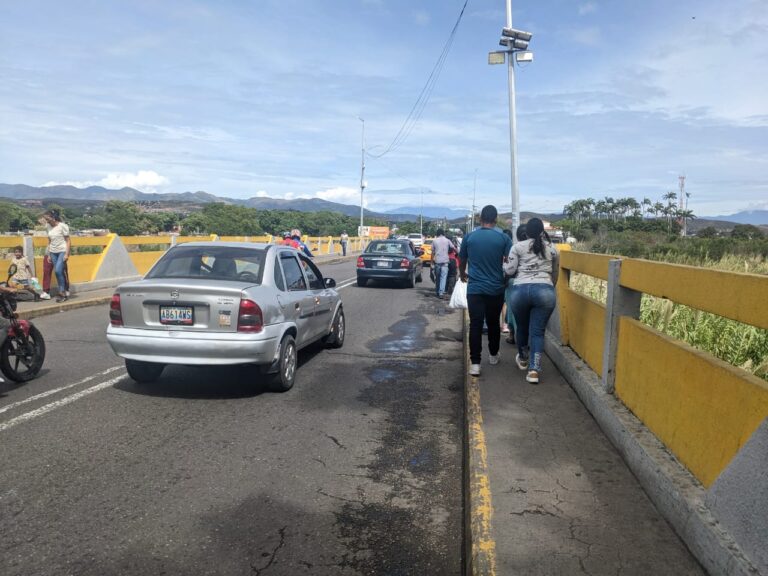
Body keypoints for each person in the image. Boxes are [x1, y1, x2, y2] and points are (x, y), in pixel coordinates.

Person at [504, 217, 560, 385]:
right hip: (545, 291)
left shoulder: (517, 247)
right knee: (537, 332)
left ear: (526, 232)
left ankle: (522, 359)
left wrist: (505, 268)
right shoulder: (552, 249)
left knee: (522, 327)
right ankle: (534, 370)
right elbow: (555, 272)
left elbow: (510, 270)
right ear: (542, 232)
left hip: (520, 291)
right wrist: (550, 287)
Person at [458, 205, 513, 377]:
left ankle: (475, 364)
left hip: (474, 288)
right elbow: (510, 263)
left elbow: (462, 259)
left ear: (480, 219)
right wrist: (504, 280)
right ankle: (493, 354)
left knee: (475, 324)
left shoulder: (469, 237)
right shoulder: (503, 238)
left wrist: (462, 274)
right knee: (493, 323)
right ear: (496, 219)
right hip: (495, 289)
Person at [42, 209, 71, 302]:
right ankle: (62, 292)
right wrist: (49, 254)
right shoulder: (48, 227)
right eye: (46, 219)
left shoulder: (63, 226)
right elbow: (49, 240)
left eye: (48, 219)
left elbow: (68, 240)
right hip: (53, 252)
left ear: (53, 218)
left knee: (58, 271)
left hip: (62, 251)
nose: (47, 221)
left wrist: (67, 253)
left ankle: (62, 292)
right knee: (59, 273)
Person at [430, 228, 453, 299]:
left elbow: (432, 252)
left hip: (437, 261)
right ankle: (441, 292)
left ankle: (437, 291)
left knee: (438, 277)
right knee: (443, 277)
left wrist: (431, 262)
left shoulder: (434, 241)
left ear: (437, 233)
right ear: (443, 233)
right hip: (445, 261)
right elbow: (453, 248)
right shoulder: (447, 240)